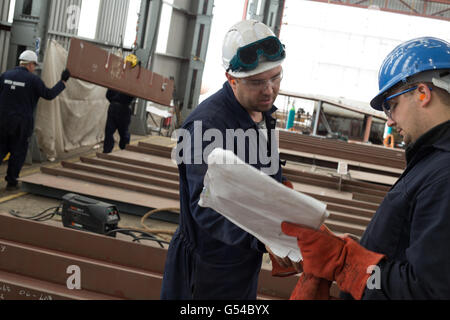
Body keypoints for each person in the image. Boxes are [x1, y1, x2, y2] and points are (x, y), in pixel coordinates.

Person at [281, 36, 450, 300]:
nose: (390, 121)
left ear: (422, 93)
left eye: (391, 105)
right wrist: (360, 251)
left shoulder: (444, 174)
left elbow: (427, 291)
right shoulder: (432, 162)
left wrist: (348, 264)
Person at [160, 20, 300, 300]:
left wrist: (284, 198)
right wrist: (262, 237)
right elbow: (205, 206)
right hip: (206, 269)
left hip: (241, 262)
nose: (269, 90)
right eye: (257, 82)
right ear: (231, 78)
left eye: (275, 77)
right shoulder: (205, 126)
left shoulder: (261, 114)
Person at [0, 50, 70, 191]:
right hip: (21, 123)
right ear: (30, 64)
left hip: (2, 121)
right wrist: (62, 82)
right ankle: (11, 182)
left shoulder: (5, 75)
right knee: (17, 152)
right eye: (34, 65)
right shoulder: (33, 80)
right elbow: (49, 94)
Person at [103, 88, 135, 154]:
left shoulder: (116, 80)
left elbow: (107, 95)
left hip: (113, 106)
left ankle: (106, 151)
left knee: (109, 131)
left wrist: (114, 101)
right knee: (124, 132)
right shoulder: (131, 83)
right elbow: (134, 96)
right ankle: (124, 150)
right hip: (124, 108)